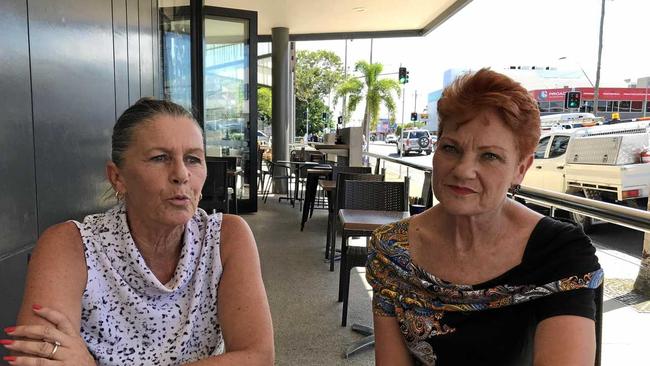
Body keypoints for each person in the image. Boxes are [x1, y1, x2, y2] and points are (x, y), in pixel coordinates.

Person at [2, 98, 274, 365]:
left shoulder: (225, 238)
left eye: (193, 159)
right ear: (117, 177)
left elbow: (257, 356)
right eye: (159, 158)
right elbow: (37, 360)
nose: (181, 174)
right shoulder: (71, 245)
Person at [367, 69, 602, 366]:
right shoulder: (391, 249)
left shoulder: (560, 253)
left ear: (521, 168)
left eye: (489, 155)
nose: (464, 170)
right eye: (451, 148)